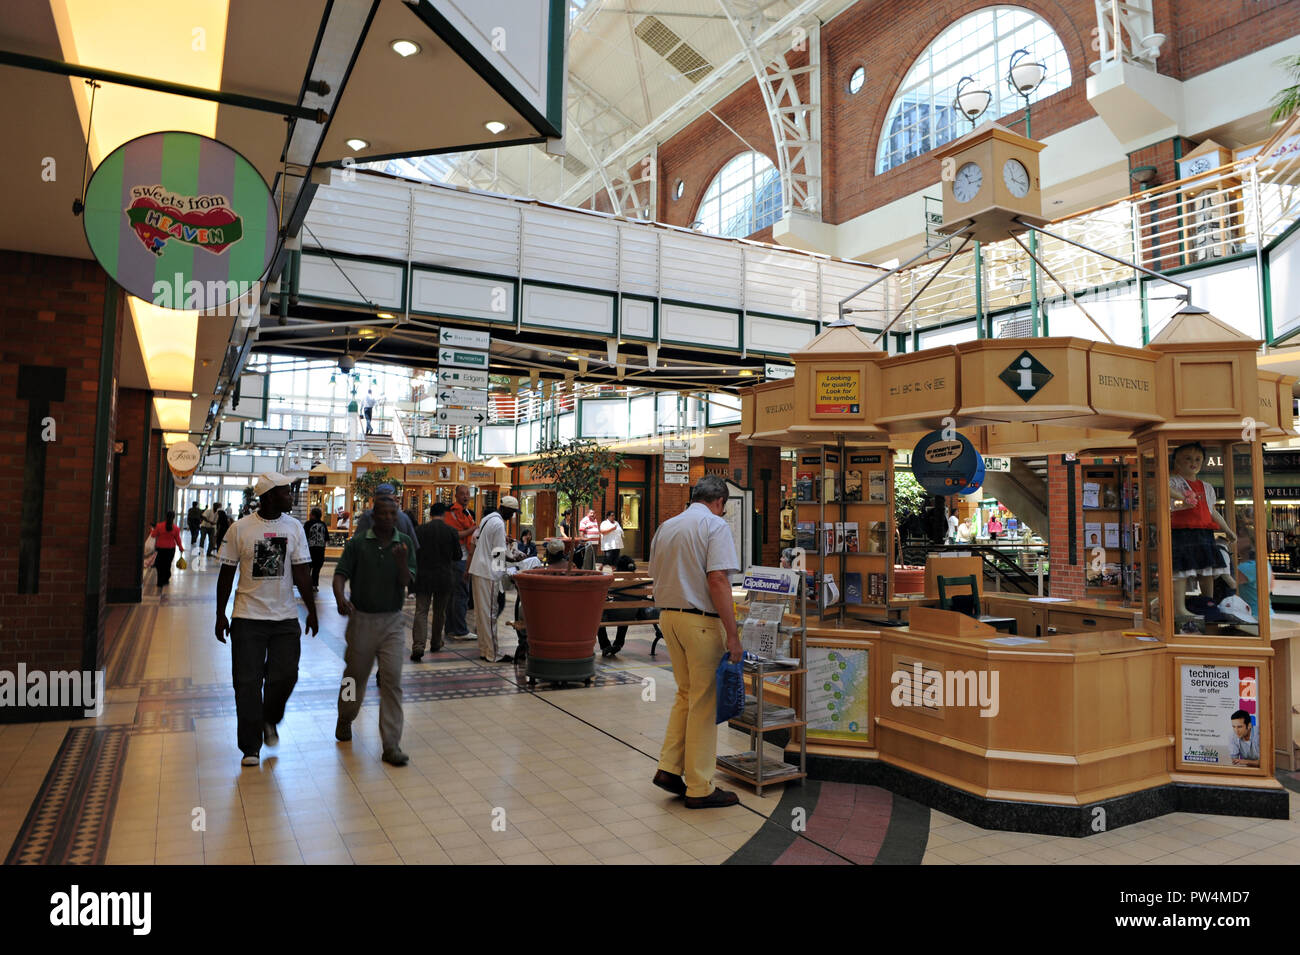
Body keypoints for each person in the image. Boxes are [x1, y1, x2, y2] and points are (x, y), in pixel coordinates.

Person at [648, 475, 743, 809]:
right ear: (719, 502)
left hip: (669, 619)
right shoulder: (714, 527)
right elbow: (717, 580)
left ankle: (669, 769)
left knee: (686, 694)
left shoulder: (667, 527)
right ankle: (700, 786)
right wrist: (733, 634)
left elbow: (655, 572)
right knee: (704, 701)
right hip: (701, 623)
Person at [215, 473, 318, 767]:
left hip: (285, 617)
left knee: (285, 675)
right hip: (247, 617)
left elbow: (301, 572)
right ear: (271, 496)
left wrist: (311, 610)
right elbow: (226, 574)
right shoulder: (240, 529)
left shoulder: (294, 527)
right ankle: (250, 746)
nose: (291, 497)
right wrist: (220, 614)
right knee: (246, 683)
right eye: (287, 492)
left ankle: (269, 719)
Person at [333, 496, 416, 766]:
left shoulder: (404, 542)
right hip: (362, 621)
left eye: (393, 513)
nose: (389, 518)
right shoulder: (358, 543)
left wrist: (402, 561)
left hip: (392, 622)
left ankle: (391, 745)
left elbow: (407, 581)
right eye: (383, 513)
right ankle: (345, 717)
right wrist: (340, 598)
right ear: (373, 515)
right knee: (353, 677)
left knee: (392, 681)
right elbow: (340, 574)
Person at [1169, 442, 1236, 621]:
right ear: (1177, 462)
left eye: (1198, 459)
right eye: (1188, 458)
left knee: (1207, 570)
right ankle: (1179, 607)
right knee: (1181, 571)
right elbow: (1165, 493)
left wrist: (1227, 529)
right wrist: (1183, 498)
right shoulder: (1174, 482)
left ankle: (1209, 603)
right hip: (1182, 532)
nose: (1194, 462)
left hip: (1203, 533)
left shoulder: (1207, 487)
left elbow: (1212, 512)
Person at [469, 495, 519, 663]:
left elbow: (479, 540)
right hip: (488, 572)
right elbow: (498, 553)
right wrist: (514, 560)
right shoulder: (498, 523)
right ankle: (493, 654)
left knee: (481, 614)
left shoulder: (488, 518)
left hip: (478, 569)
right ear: (505, 509)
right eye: (511, 513)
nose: (511, 517)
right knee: (490, 614)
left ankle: (485, 650)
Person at [412, 502, 461, 661]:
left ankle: (418, 646)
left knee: (421, 611)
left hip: (423, 577)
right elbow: (457, 556)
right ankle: (435, 642)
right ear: (444, 514)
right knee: (439, 612)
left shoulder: (420, 530)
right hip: (444, 577)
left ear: (430, 514)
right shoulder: (451, 531)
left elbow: (414, 553)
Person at [443, 485, 476, 639]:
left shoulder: (467, 512)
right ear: (456, 496)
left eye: (467, 493)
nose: (465, 496)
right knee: (461, 595)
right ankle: (460, 630)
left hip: (462, 557)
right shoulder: (453, 513)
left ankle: (450, 628)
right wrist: (472, 530)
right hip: (459, 559)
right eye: (462, 494)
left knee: (453, 595)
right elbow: (454, 534)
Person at [353, 483, 420, 546]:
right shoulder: (404, 518)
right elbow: (414, 547)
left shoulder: (367, 516)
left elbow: (355, 545)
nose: (387, 517)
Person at [149, 511, 185, 600]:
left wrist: (152, 529)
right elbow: (178, 539)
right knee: (167, 564)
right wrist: (181, 547)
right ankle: (166, 578)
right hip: (170, 549)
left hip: (160, 548)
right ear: (173, 517)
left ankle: (160, 581)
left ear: (165, 516)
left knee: (159, 565)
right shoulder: (176, 528)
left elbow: (153, 535)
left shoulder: (159, 526)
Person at [303, 507, 329, 592]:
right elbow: (326, 538)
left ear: (313, 515)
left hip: (309, 550)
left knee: (308, 569)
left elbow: (303, 537)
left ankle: (306, 585)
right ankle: (314, 585)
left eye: (310, 513)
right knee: (316, 569)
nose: (309, 514)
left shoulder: (308, 524)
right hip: (320, 551)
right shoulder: (323, 524)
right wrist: (323, 548)